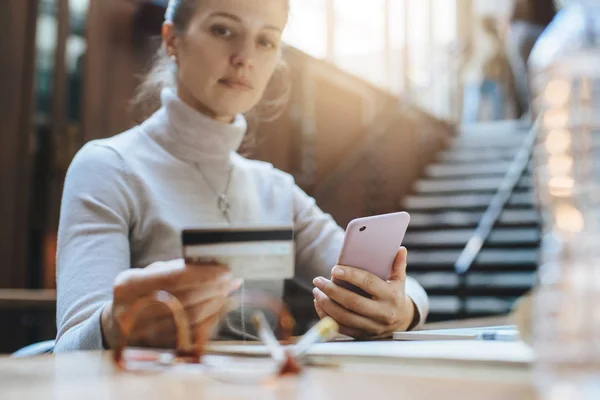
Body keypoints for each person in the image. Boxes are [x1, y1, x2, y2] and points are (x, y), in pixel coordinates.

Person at [54, 0, 429, 352]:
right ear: (172, 40)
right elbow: (69, 350)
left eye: (266, 40)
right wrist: (114, 324)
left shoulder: (276, 189)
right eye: (223, 30)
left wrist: (403, 308)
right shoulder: (108, 167)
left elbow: (407, 288)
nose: (245, 57)